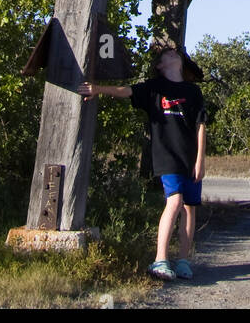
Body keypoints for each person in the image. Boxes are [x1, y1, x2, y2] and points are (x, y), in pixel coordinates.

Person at [80, 41, 207, 281]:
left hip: (190, 157)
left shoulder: (193, 91)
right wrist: (97, 88)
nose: (172, 54)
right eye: (167, 54)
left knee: (190, 208)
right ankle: (160, 259)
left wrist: (201, 160)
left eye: (174, 53)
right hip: (166, 156)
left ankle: (183, 261)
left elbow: (201, 126)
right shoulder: (153, 88)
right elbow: (125, 91)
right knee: (175, 201)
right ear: (160, 65)